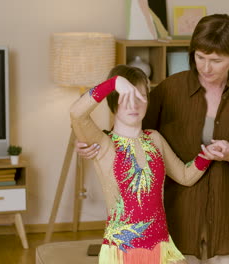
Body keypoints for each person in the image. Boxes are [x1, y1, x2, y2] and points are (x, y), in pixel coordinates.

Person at [76, 14, 229, 264]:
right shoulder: (169, 90)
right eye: (200, 57)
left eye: (216, 60)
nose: (205, 67)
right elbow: (133, 132)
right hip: (178, 223)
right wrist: (95, 143)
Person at [70, 65, 218, 264]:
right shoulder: (105, 143)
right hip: (121, 252)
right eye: (127, 96)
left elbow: (185, 176)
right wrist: (113, 83)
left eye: (140, 96)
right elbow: (77, 114)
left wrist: (207, 155)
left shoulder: (155, 139)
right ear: (114, 100)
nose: (134, 104)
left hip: (162, 248)